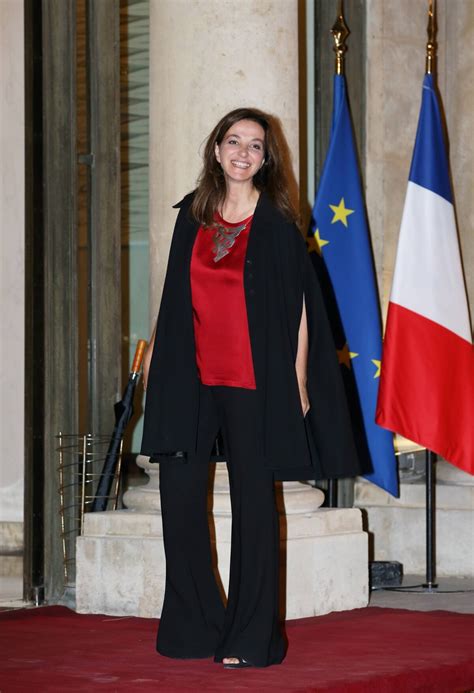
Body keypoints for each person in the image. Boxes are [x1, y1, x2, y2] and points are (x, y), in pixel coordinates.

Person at [141, 108, 360, 669]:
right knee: (179, 500)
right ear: (216, 150)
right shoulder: (190, 217)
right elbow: (173, 301)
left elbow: (302, 307)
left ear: (266, 159)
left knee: (254, 508)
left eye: (255, 145)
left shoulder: (278, 225)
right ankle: (195, 625)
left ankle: (249, 639)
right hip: (191, 380)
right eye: (233, 141)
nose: (243, 152)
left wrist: (298, 378)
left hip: (254, 383)